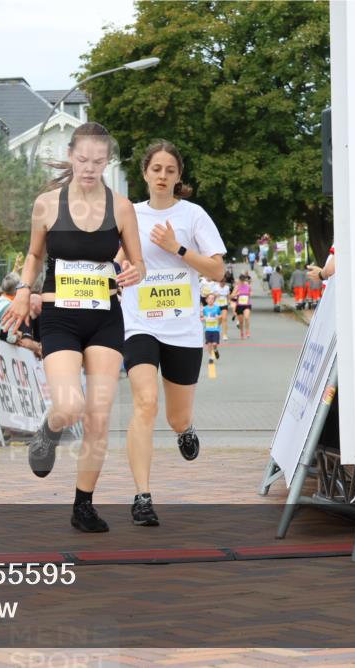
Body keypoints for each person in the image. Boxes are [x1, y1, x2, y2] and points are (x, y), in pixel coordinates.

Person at [1, 122, 144, 533]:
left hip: (105, 317)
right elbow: (33, 254)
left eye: (98, 161)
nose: (89, 168)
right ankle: (49, 429)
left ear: (107, 161)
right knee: (70, 407)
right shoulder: (46, 204)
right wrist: (25, 289)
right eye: (82, 159)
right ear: (70, 155)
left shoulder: (121, 208)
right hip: (59, 316)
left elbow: (138, 263)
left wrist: (133, 272)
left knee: (99, 416)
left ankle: (83, 505)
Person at [118, 140, 226, 526]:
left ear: (179, 176)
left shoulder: (193, 216)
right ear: (145, 173)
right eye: (156, 169)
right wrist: (118, 274)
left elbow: (217, 271)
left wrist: (176, 247)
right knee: (145, 404)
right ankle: (142, 496)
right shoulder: (127, 213)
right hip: (140, 323)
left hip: (182, 329)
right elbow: (115, 263)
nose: (162, 176)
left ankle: (186, 430)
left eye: (170, 170)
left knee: (176, 417)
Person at [202, 293, 222, 363]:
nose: (211, 300)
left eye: (212, 299)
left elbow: (220, 316)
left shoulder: (217, 308)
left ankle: (215, 350)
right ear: (206, 300)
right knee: (209, 344)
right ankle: (211, 357)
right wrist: (204, 318)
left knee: (214, 344)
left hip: (215, 329)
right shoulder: (204, 308)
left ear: (214, 300)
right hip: (208, 329)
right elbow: (202, 316)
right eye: (209, 299)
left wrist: (218, 317)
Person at [234, 274, 252, 338]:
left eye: (243, 280)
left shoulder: (248, 286)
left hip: (247, 304)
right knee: (241, 321)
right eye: (241, 280)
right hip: (239, 305)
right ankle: (241, 332)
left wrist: (249, 294)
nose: (242, 281)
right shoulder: (237, 287)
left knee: (247, 317)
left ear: (245, 280)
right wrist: (237, 294)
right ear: (239, 280)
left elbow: (251, 293)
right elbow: (232, 295)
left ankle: (247, 331)